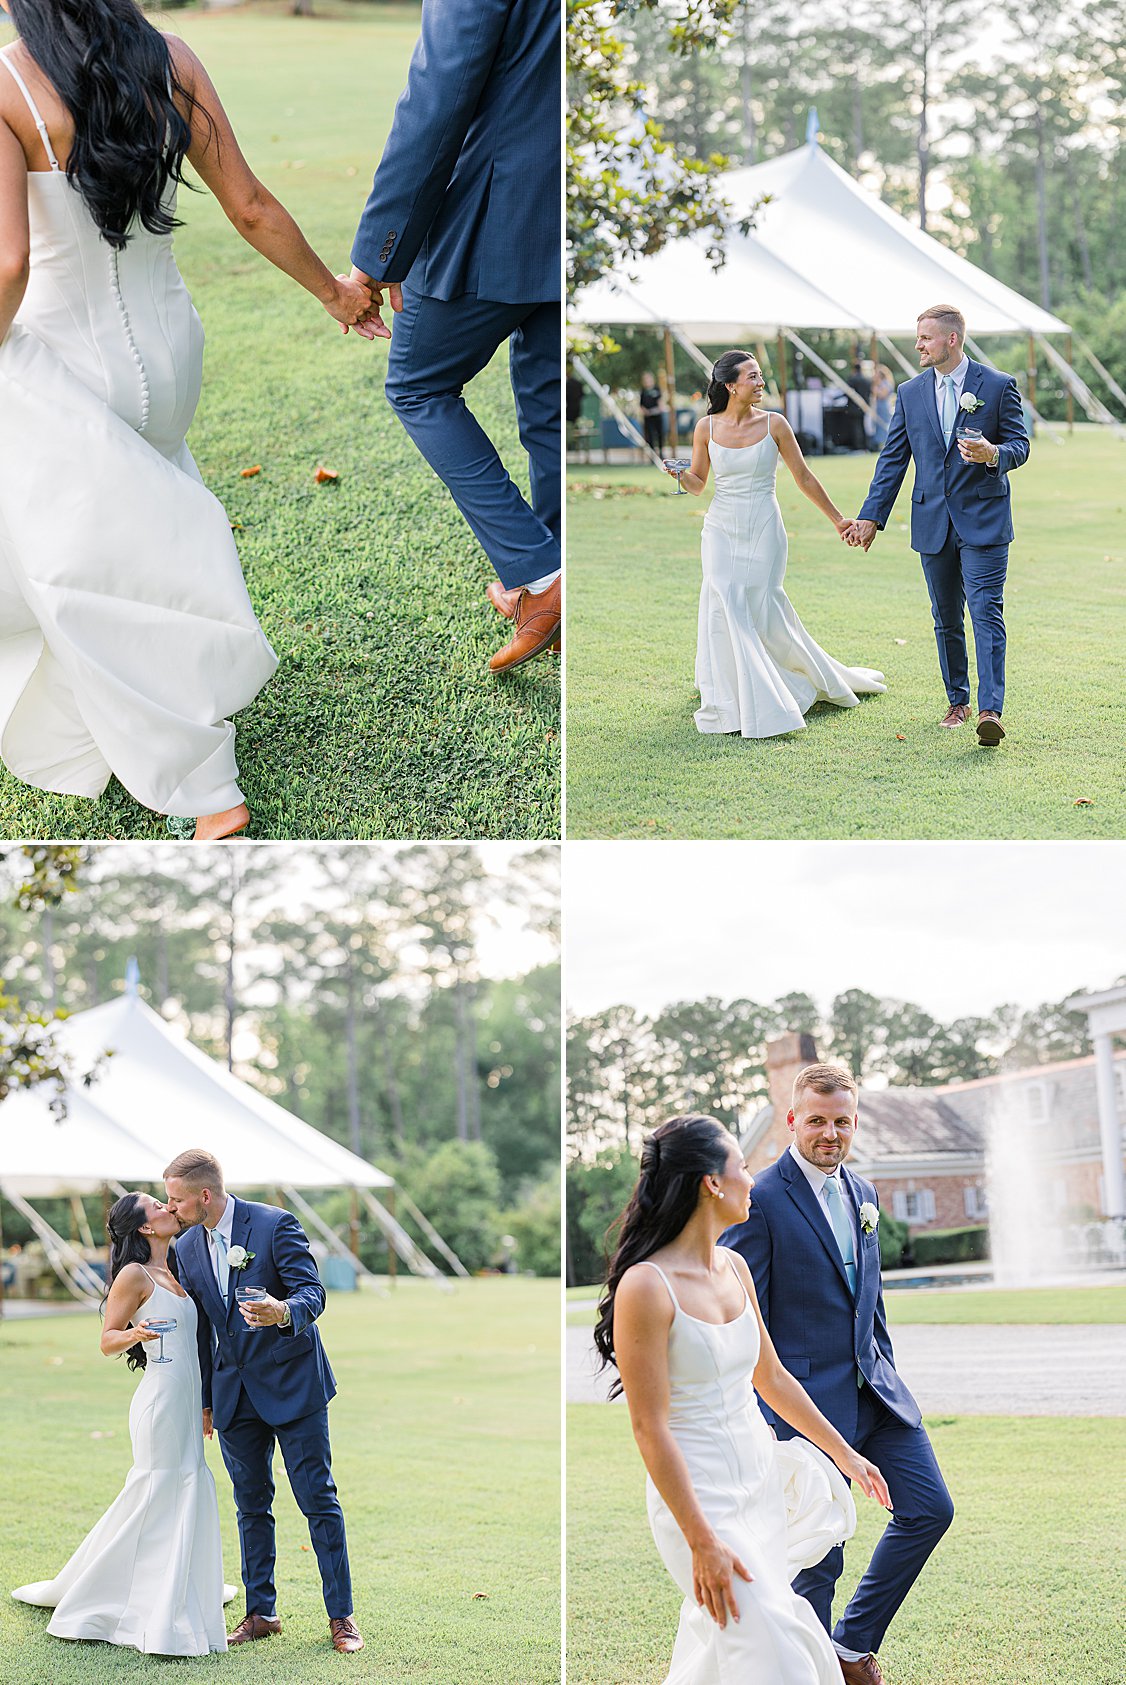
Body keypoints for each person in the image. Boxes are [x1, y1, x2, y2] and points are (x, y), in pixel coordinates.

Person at [0, 0, 373, 840]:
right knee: (122, 546)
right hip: (172, 356)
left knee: (77, 564)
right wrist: (336, 296)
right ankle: (127, 707)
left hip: (66, 366)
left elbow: (10, 262)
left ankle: (204, 787)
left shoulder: (8, 83)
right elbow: (250, 206)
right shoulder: (171, 60)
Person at [594, 1113, 892, 1685]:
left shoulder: (733, 1268)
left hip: (758, 1485)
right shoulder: (646, 1286)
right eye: (744, 1167)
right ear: (712, 1181)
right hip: (699, 1501)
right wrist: (701, 1541)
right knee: (775, 1650)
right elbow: (649, 1428)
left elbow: (772, 1378)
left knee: (730, 1653)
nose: (754, 1180)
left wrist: (846, 1455)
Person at [723, 1063, 955, 1685]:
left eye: (842, 1121)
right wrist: (773, 1421)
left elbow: (870, 1301)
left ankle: (850, 1647)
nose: (831, 1133)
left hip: (877, 1395)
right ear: (793, 1119)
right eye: (818, 1120)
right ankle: (811, 1673)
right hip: (807, 1407)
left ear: (855, 1123)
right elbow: (749, 1321)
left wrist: (885, 1367)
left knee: (930, 1509)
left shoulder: (866, 1194)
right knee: (818, 1558)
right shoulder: (761, 1200)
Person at [349, 0, 561, 675]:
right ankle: (551, 583)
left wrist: (380, 256)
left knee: (418, 383)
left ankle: (545, 576)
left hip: (505, 211)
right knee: (550, 405)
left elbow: (437, 98)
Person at [11, 1192, 235, 1655]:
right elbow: (107, 1339)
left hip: (187, 1400)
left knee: (184, 1487)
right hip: (160, 1399)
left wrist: (205, 1403)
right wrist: (135, 1333)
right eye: (157, 1205)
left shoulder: (173, 1271)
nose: (167, 1208)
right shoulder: (133, 1275)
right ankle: (114, 1595)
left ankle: (180, 1586)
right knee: (156, 1490)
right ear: (145, 1228)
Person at [164, 1149, 363, 1654]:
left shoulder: (275, 1225)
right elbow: (201, 1330)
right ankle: (261, 1612)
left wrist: (282, 1311)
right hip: (234, 1396)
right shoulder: (186, 1247)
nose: (172, 1209)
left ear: (205, 1196)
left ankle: (342, 1618)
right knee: (250, 1505)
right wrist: (207, 1400)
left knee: (318, 1500)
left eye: (177, 1200)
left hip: (295, 1388)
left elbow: (312, 1292)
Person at [664, 349, 886, 738]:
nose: (761, 382)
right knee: (724, 601)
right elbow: (698, 485)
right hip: (720, 528)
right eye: (752, 377)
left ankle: (781, 684)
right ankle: (730, 692)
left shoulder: (775, 424)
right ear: (731, 386)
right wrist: (678, 474)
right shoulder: (706, 428)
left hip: (764, 528)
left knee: (761, 606)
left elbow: (804, 477)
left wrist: (838, 520)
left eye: (759, 375)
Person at [843, 305, 1030, 746]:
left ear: (952, 340)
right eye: (919, 337)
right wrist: (872, 516)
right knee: (945, 618)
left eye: (926, 337)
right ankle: (958, 702)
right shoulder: (909, 393)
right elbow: (893, 460)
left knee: (986, 613)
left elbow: (1020, 445)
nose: (918, 345)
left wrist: (993, 455)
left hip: (984, 520)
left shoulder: (999, 386)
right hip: (931, 521)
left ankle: (990, 711)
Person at [639, 371, 667, 454]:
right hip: (648, 417)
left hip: (657, 415)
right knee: (650, 436)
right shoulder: (643, 391)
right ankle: (652, 453)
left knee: (660, 434)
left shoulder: (657, 389)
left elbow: (660, 402)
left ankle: (661, 452)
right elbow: (641, 404)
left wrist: (659, 408)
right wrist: (645, 411)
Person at [870, 364, 896, 451]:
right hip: (879, 407)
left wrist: (876, 389)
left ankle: (884, 443)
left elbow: (882, 395)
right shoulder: (881, 383)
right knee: (878, 426)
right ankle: (879, 443)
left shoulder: (885, 384)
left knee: (884, 424)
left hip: (884, 406)